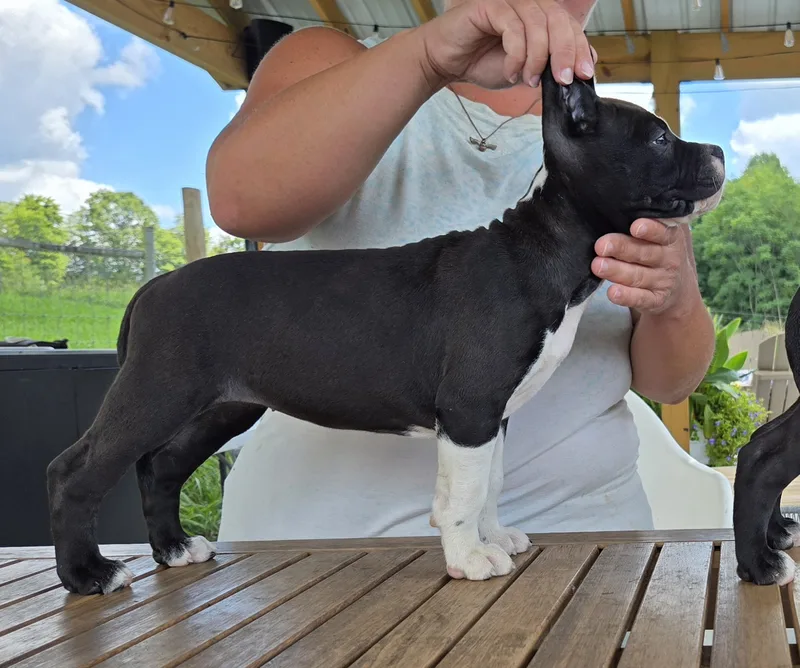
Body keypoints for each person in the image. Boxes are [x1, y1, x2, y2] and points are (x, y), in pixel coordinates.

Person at [206, 0, 716, 542]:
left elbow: (669, 382)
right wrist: (428, 57)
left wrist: (675, 299)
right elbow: (240, 201)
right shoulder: (325, 58)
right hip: (320, 544)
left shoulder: (620, 142)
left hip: (583, 535)